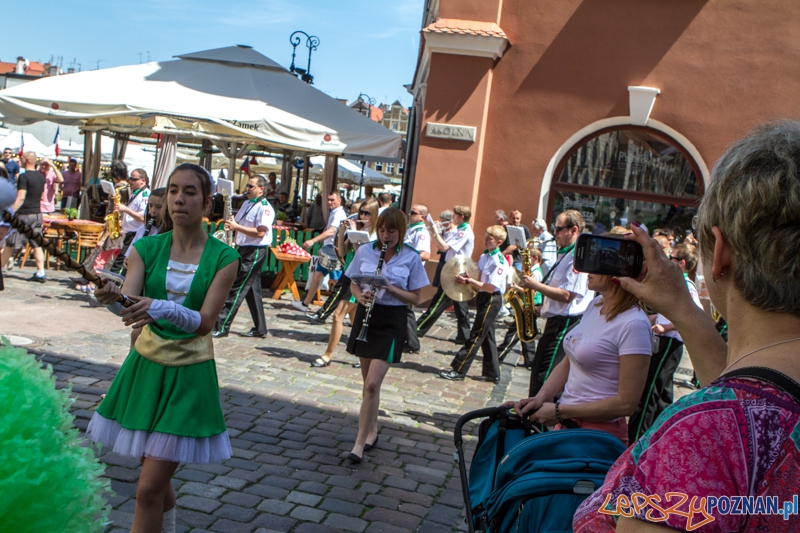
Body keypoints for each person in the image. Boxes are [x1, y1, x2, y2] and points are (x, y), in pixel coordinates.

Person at [574, 121, 800, 532]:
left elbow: (744, 418)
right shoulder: (751, 412)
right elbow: (760, 403)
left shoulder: (700, 435)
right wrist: (682, 307)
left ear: (721, 254)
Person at [88, 163, 239, 533]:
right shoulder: (145, 248)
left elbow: (205, 322)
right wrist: (109, 295)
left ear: (207, 203)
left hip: (189, 377)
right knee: (153, 479)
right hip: (145, 371)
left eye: (189, 192)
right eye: (173, 190)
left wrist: (160, 307)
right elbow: (131, 304)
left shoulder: (225, 258)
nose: (178, 199)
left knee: (148, 488)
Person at [512, 257, 652, 444]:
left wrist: (559, 411)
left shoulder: (634, 323)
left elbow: (625, 404)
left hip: (597, 435)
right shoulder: (596, 304)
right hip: (568, 424)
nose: (588, 271)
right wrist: (540, 398)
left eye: (597, 265)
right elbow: (568, 362)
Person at [345, 208, 429, 463]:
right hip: (367, 316)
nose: (385, 235)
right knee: (368, 384)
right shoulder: (365, 251)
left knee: (373, 383)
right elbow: (353, 281)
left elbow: (417, 297)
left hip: (392, 320)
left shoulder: (411, 258)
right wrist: (360, 296)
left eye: (391, 231)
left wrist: (389, 287)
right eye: (382, 230)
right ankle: (371, 429)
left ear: (400, 231)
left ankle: (358, 444)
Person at [627, 242, 703, 443]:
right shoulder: (677, 284)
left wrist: (666, 327)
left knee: (649, 392)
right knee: (662, 394)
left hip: (669, 343)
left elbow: (694, 314)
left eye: (673, 258)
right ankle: (659, 437)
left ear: (682, 263)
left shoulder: (686, 286)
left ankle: (635, 440)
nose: (669, 260)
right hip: (665, 340)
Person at [520, 210, 591, 397]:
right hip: (556, 320)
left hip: (565, 323)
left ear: (573, 230)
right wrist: (543, 307)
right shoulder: (564, 254)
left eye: (559, 229)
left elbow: (568, 295)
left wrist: (534, 285)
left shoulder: (577, 257)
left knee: (545, 376)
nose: (555, 233)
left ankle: (538, 421)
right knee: (539, 371)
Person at [311, 199, 378, 367]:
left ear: (374, 215)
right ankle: (363, 353)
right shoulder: (361, 229)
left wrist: (355, 233)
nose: (362, 215)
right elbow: (342, 252)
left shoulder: (375, 233)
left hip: (361, 280)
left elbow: (362, 254)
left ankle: (328, 355)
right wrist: (342, 232)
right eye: (361, 212)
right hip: (350, 275)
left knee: (337, 315)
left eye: (367, 213)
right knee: (355, 319)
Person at [439, 225, 509, 382]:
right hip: (483, 297)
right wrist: (468, 278)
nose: (485, 240)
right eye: (485, 237)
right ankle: (492, 373)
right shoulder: (485, 256)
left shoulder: (499, 261)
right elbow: (480, 277)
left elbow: (491, 287)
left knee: (476, 335)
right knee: (488, 335)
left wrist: (470, 281)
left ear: (499, 242)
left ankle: (459, 369)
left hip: (492, 298)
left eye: (489, 239)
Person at [213, 175, 275, 338]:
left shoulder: (265, 207)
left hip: (254, 250)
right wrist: (232, 223)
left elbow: (261, 232)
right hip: (243, 247)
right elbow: (239, 223)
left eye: (251, 186)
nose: (247, 189)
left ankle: (221, 326)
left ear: (261, 189)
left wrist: (236, 227)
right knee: (252, 290)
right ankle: (260, 328)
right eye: (247, 186)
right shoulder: (247, 203)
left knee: (236, 288)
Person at [416, 205, 475, 343]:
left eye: (455, 215)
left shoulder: (464, 231)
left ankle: (419, 328)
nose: (452, 217)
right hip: (454, 267)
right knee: (460, 306)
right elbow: (443, 246)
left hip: (455, 269)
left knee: (438, 302)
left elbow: (445, 247)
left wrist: (436, 233)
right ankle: (464, 336)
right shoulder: (459, 229)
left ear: (461, 217)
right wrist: (440, 231)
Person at [294, 191, 347, 312]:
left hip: (334, 252)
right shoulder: (334, 213)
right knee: (317, 275)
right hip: (328, 250)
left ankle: (344, 308)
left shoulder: (339, 214)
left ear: (339, 201)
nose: (329, 202)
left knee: (335, 281)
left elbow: (331, 231)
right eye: (328, 200)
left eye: (332, 200)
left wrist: (313, 241)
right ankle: (305, 304)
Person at [497, 246, 545, 368]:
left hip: (528, 305)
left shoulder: (536, 273)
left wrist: (516, 287)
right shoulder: (533, 271)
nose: (524, 262)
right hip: (526, 305)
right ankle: (530, 361)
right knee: (525, 333)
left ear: (535, 258)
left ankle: (499, 354)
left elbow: (531, 291)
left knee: (516, 332)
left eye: (527, 259)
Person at [7, 151, 46, 282]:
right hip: (37, 213)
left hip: (24, 214)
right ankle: (41, 273)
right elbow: (42, 196)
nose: (20, 160)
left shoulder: (23, 177)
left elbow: (21, 197)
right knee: (36, 244)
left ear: (28, 160)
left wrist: (11, 211)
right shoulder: (41, 177)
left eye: (22, 158)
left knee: (10, 243)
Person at [109, 168, 150, 273]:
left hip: (135, 233)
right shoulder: (135, 193)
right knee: (123, 264)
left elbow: (143, 217)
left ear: (143, 180)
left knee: (119, 264)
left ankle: (110, 285)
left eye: (133, 179)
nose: (130, 181)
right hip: (129, 233)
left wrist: (125, 209)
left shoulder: (145, 195)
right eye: (130, 179)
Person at [403, 203, 432, 353]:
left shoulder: (421, 232)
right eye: (410, 212)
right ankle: (409, 340)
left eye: (413, 213)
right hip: (405, 270)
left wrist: (405, 259)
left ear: (423, 217)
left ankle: (413, 343)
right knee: (404, 307)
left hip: (411, 272)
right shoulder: (411, 229)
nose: (409, 214)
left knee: (406, 307)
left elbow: (425, 254)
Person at [122, 188, 169, 272]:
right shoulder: (143, 229)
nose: (153, 211)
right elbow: (133, 248)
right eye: (150, 205)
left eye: (159, 207)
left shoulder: (169, 233)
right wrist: (128, 258)